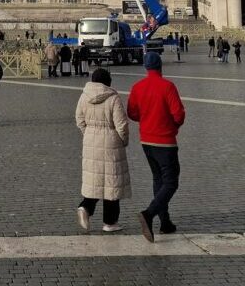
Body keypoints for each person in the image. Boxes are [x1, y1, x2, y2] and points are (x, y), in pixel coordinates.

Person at [127, 52, 185, 243]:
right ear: (160, 66)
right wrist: (172, 126)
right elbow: (178, 115)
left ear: (145, 67)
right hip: (165, 141)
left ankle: (165, 222)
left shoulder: (137, 87)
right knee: (170, 182)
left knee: (158, 179)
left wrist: (146, 120)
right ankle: (149, 214)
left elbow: (132, 113)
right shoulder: (167, 86)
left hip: (146, 141)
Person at [75, 68, 132, 233]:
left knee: (95, 180)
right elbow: (121, 124)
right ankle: (110, 222)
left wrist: (88, 134)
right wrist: (123, 141)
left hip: (91, 141)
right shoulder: (113, 98)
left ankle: (85, 207)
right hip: (111, 143)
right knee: (111, 183)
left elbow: (79, 119)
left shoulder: (84, 96)